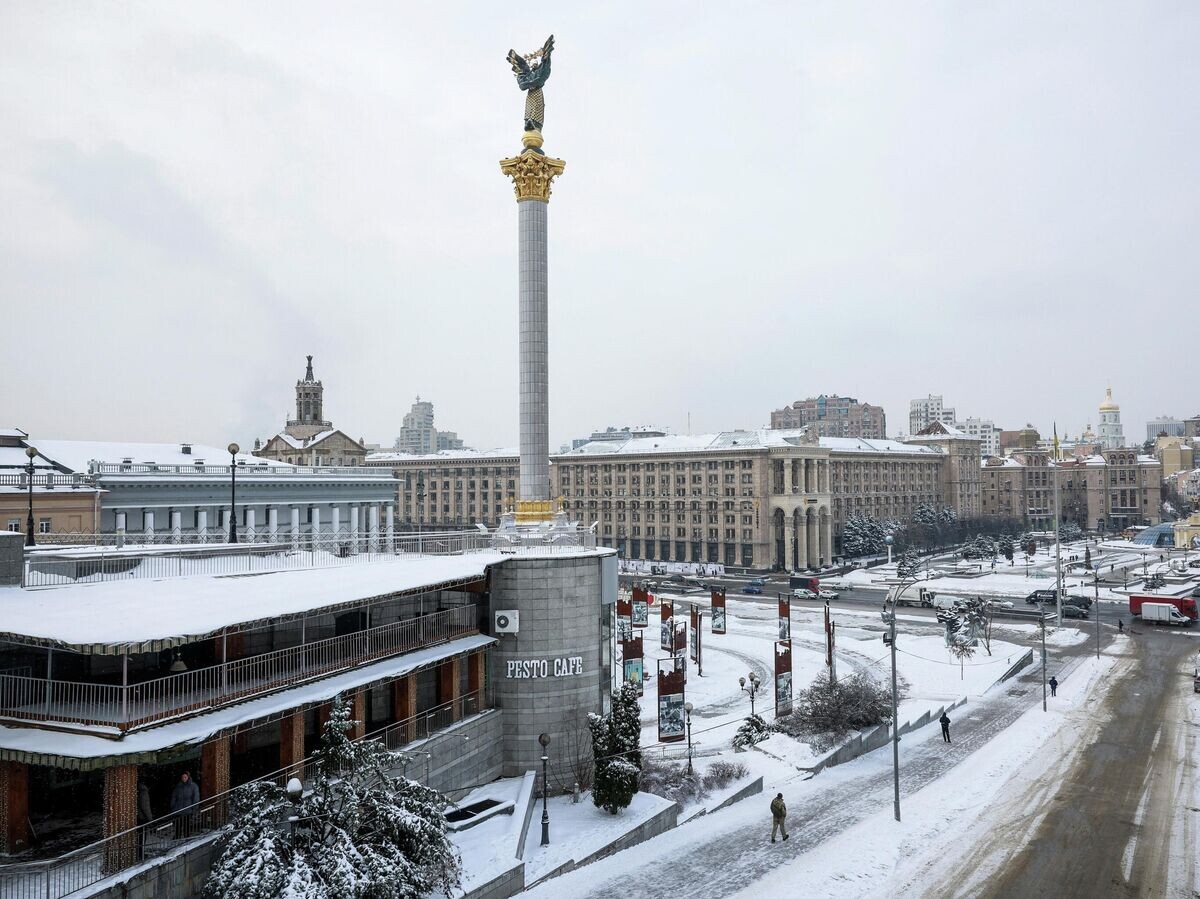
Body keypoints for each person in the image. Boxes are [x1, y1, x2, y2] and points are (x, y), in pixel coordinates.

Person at [170, 771, 200, 839]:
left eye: (185, 777)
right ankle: (177, 837)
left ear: (188, 777)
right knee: (178, 825)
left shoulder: (193, 786)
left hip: (187, 810)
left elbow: (196, 798)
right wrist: (173, 806)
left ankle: (187, 838)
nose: (183, 778)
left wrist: (194, 808)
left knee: (186, 825)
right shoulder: (178, 786)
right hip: (178, 810)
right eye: (182, 777)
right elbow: (174, 797)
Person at [137, 778, 153, 859]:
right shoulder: (143, 792)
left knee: (138, 837)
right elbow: (145, 807)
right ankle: (140, 854)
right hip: (142, 818)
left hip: (137, 817)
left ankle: (138, 853)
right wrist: (150, 819)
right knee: (142, 837)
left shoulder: (136, 790)